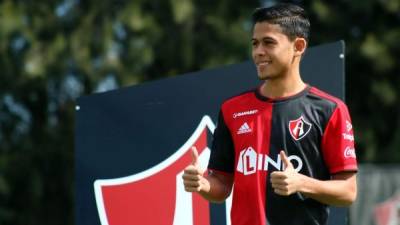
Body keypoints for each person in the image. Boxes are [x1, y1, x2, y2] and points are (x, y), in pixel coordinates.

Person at [182, 3, 357, 225]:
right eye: (255, 44)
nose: (258, 52)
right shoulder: (232, 110)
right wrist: (203, 184)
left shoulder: (330, 110)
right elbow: (221, 186)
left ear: (299, 46)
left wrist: (301, 183)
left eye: (269, 43)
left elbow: (348, 192)